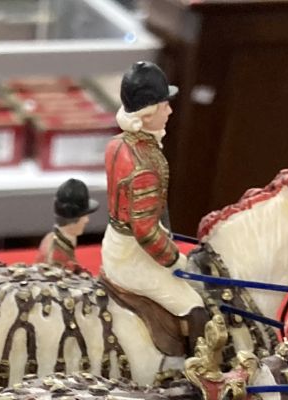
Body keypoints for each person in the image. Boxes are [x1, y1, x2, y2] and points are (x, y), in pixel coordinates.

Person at [101, 61, 207, 329]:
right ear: (147, 114)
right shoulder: (143, 165)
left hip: (116, 243)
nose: (170, 111)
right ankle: (200, 369)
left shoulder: (119, 143)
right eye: (164, 106)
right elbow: (146, 231)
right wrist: (175, 258)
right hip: (132, 258)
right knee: (195, 309)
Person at [36, 178, 98, 268]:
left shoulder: (63, 239)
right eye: (83, 216)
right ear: (73, 219)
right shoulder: (57, 251)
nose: (87, 220)